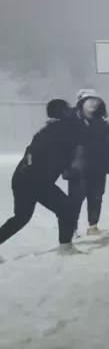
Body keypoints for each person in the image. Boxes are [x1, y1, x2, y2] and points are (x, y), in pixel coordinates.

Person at [0, 99, 83, 255]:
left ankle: (66, 246)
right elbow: (68, 149)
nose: (72, 112)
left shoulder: (47, 129)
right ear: (63, 112)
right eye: (68, 109)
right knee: (66, 208)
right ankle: (66, 247)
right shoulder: (61, 129)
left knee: (21, 218)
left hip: (22, 177)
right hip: (36, 179)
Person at [69, 93, 109, 235]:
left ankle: (93, 226)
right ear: (81, 103)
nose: (93, 104)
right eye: (89, 101)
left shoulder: (102, 124)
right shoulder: (72, 123)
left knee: (96, 197)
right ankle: (71, 228)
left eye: (95, 101)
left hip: (99, 167)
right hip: (78, 169)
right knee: (75, 200)